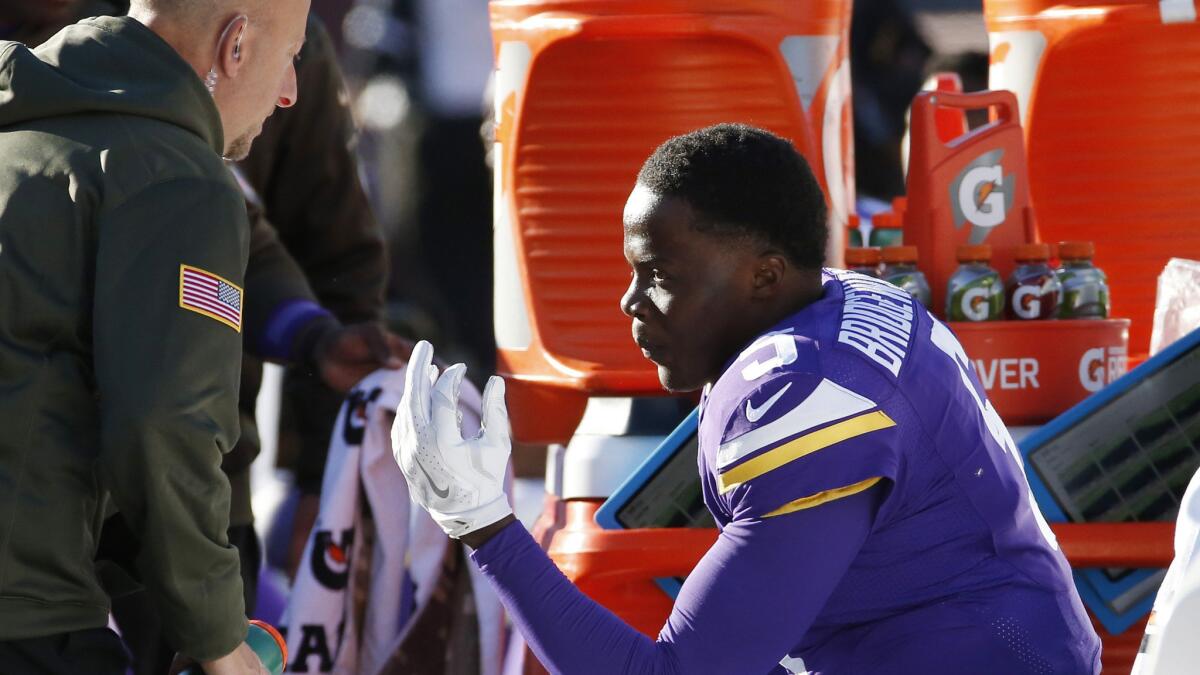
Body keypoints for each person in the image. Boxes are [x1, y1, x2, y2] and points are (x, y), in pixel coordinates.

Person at [391, 124, 1102, 673]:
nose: (631, 300)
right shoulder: (846, 300)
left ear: (765, 275)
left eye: (660, 273)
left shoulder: (800, 392)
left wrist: (483, 524)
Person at [0, 0, 311, 672]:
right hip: (28, 619)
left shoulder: (22, 129)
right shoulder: (178, 179)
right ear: (234, 47)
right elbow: (163, 422)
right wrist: (220, 639)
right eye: (291, 56)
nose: (290, 92)